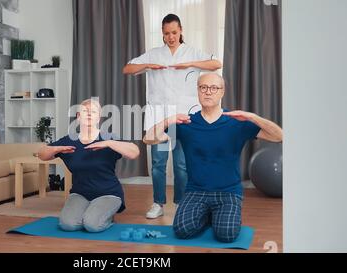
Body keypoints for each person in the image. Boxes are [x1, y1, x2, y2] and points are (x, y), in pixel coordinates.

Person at [143, 73, 283, 242]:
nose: (208, 92)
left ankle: (219, 215)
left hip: (229, 192)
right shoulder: (186, 123)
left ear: (222, 92)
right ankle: (208, 214)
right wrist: (168, 120)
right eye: (203, 87)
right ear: (198, 91)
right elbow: (148, 138)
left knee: (226, 235)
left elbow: (278, 136)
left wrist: (252, 117)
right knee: (182, 230)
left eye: (214, 88)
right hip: (196, 191)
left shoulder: (236, 121)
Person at [123, 14, 222, 219]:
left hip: (184, 117)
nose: (171, 37)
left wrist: (190, 64)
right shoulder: (154, 54)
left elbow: (216, 64)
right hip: (159, 117)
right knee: (158, 163)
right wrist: (148, 66)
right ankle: (158, 203)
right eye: (167, 33)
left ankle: (180, 204)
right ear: (162, 33)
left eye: (174, 32)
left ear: (181, 30)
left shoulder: (192, 52)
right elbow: (128, 68)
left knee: (181, 164)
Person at [38, 99, 140, 233]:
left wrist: (109, 143)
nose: (89, 114)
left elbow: (134, 152)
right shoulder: (69, 140)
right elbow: (42, 154)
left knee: (92, 225)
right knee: (67, 225)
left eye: (93, 111)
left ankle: (104, 216)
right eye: (85, 111)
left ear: (98, 118)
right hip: (80, 193)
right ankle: (91, 211)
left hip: (109, 193)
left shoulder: (108, 138)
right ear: (79, 117)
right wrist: (56, 149)